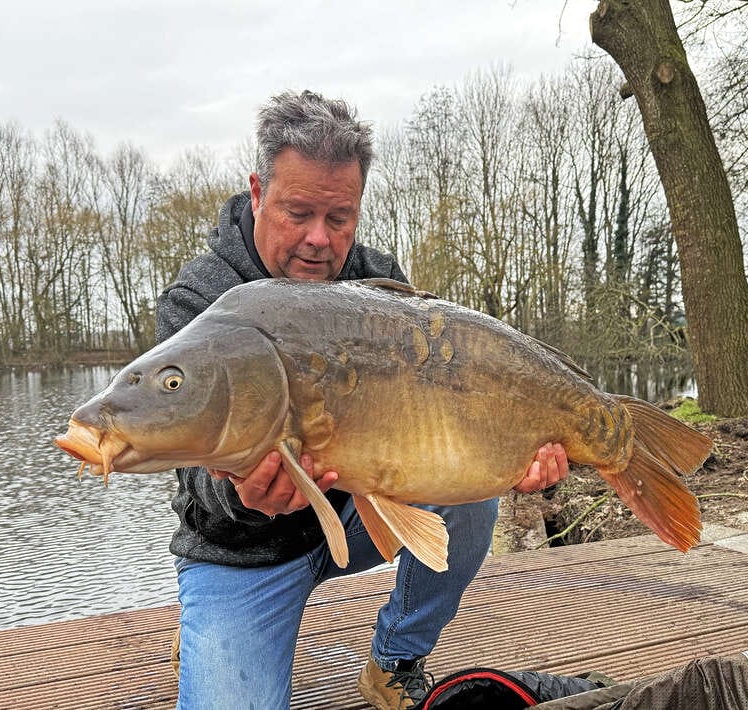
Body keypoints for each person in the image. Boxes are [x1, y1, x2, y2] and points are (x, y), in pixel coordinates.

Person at [155, 89, 569, 710]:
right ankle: (212, 632)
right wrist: (245, 495)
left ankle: (395, 659)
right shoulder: (201, 299)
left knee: (474, 501)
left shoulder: (377, 287)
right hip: (242, 549)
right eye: (298, 213)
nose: (320, 240)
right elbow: (193, 474)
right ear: (259, 192)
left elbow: (441, 419)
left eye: (340, 217)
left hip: (352, 514)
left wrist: (515, 454)